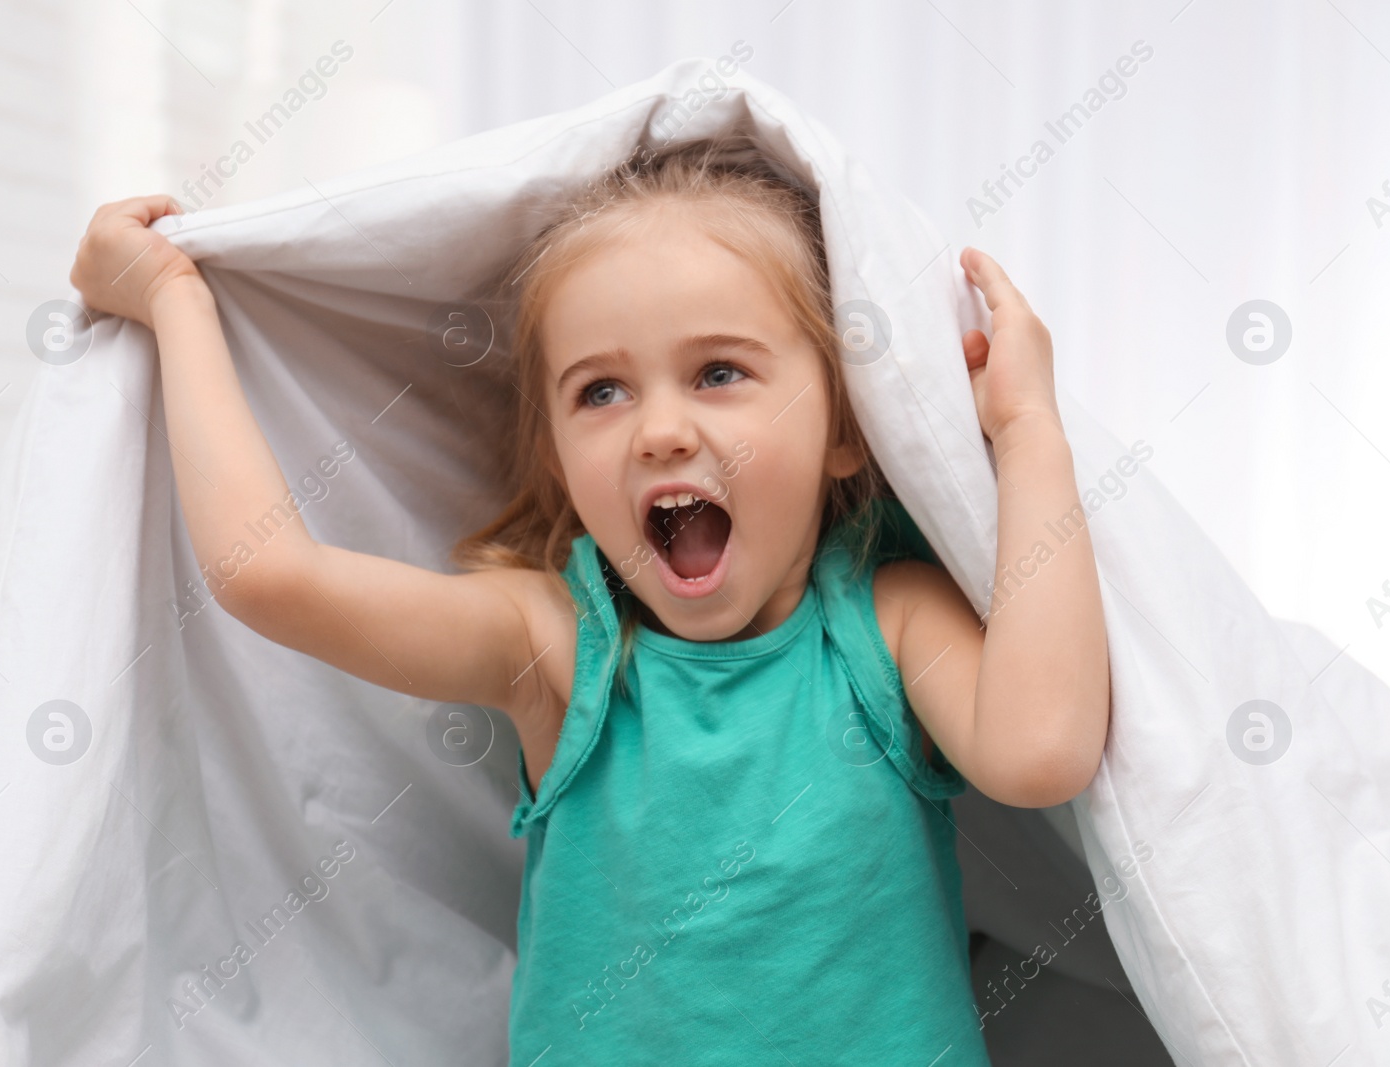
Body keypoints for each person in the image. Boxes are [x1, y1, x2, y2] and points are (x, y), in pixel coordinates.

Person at [69, 135, 1109, 1065]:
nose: (657, 428)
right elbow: (270, 572)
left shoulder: (883, 620)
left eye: (717, 372)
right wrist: (174, 301)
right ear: (561, 458)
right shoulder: (558, 647)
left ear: (842, 427)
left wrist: (1026, 436)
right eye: (600, 390)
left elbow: (1042, 748)